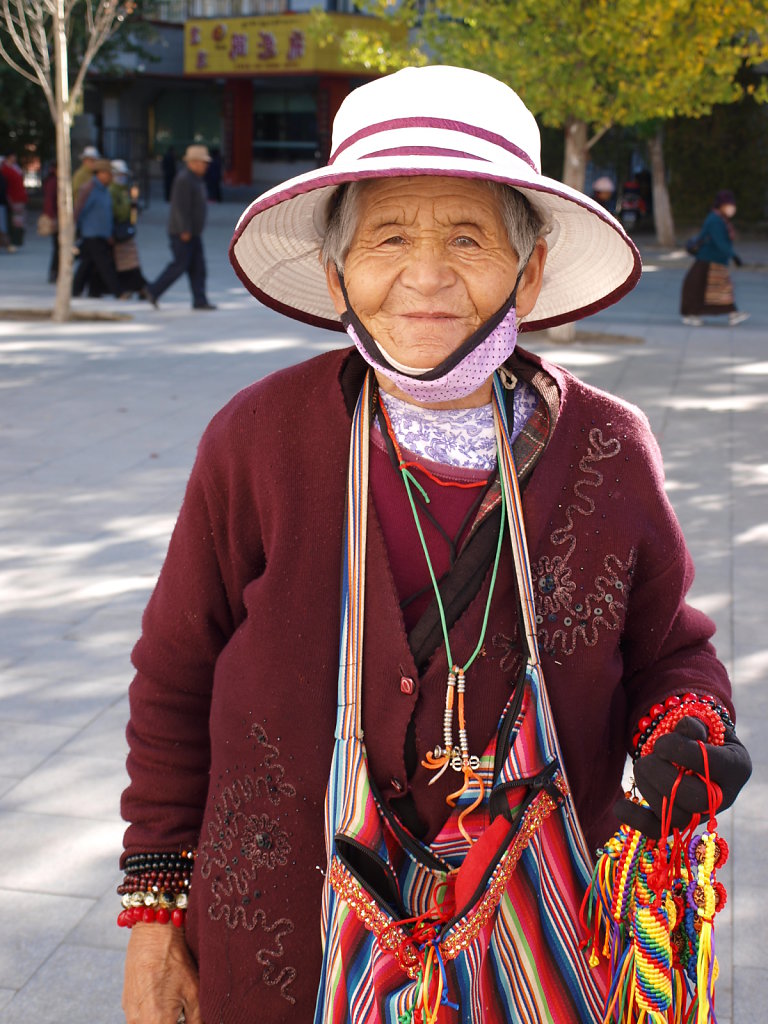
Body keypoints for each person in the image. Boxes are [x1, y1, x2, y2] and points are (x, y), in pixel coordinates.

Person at [120, 66, 751, 1024]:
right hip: (274, 943)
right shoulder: (257, 438)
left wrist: (688, 732)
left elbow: (671, 653)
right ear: (337, 273)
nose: (425, 275)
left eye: (468, 237)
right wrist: (156, 918)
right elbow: (174, 678)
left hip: (532, 947)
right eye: (387, 237)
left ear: (528, 272)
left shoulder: (608, 447)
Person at [141, 144, 216, 310]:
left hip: (193, 232)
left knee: (198, 267)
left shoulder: (194, 179)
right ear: (193, 162)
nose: (205, 166)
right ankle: (153, 290)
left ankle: (200, 300)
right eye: (203, 162)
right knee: (180, 265)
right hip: (183, 232)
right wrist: (184, 229)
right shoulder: (184, 179)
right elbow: (180, 208)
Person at [681, 189, 748, 327]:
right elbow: (720, 242)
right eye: (728, 204)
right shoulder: (716, 220)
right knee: (707, 288)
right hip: (710, 260)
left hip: (713, 260)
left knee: (714, 288)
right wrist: (734, 256)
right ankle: (693, 314)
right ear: (721, 205)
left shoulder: (719, 218)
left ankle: (731, 313)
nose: (731, 208)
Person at [72, 158, 126, 300]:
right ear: (100, 173)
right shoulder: (89, 188)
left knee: (88, 264)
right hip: (91, 233)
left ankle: (86, 290)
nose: (111, 177)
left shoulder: (105, 189)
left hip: (102, 233)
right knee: (104, 265)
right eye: (108, 174)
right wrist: (74, 229)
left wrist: (109, 233)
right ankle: (118, 292)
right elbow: (79, 210)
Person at [107, 159, 147, 297]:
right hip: (117, 228)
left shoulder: (123, 190)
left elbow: (131, 214)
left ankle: (139, 287)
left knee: (129, 260)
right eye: (119, 174)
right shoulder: (112, 190)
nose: (122, 177)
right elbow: (116, 211)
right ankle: (138, 287)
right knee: (126, 261)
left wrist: (133, 205)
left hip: (124, 228)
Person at [0, 151, 28, 248]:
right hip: (13, 198)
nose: (14, 158)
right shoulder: (5, 169)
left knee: (19, 221)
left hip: (19, 197)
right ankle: (12, 242)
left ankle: (16, 241)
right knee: (14, 221)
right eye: (13, 157)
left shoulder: (15, 167)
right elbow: (5, 186)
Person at [42, 160, 59, 282]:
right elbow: (49, 201)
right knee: (58, 247)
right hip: (56, 218)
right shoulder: (53, 182)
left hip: (58, 217)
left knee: (58, 247)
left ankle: (55, 271)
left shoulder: (56, 180)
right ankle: (54, 272)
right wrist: (52, 218)